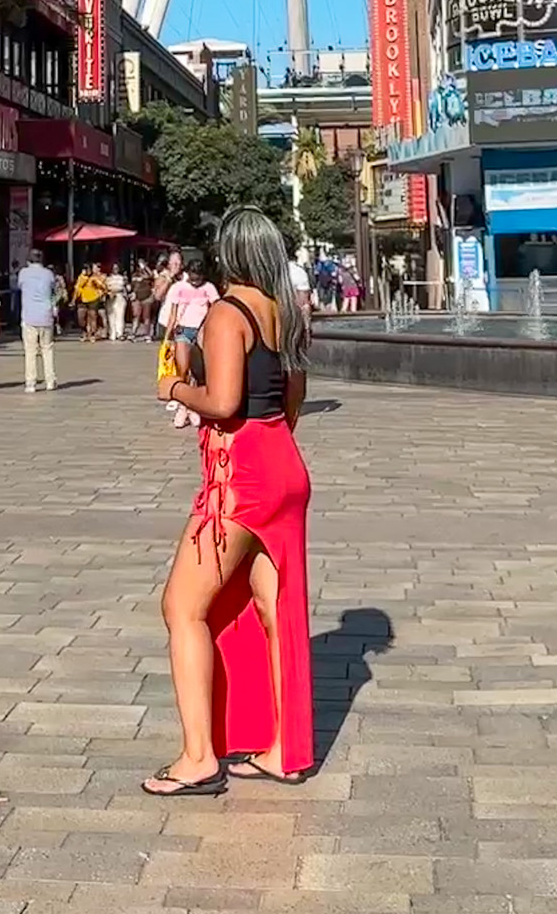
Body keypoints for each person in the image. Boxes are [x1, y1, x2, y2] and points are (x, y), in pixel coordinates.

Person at [146, 205, 313, 796]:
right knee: (276, 612)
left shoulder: (226, 314)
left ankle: (198, 758)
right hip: (285, 464)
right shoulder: (287, 313)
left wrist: (173, 385)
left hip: (238, 472)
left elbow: (221, 401)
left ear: (228, 254)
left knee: (181, 608)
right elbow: (291, 399)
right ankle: (282, 749)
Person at [160, 260, 219, 431]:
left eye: (198, 277)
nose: (195, 281)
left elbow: (216, 309)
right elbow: (173, 313)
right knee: (183, 369)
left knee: (198, 372)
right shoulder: (178, 288)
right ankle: (182, 406)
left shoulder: (209, 288)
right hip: (183, 330)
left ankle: (194, 407)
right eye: (193, 277)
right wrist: (167, 337)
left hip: (202, 332)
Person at [17, 250, 61, 393]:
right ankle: (50, 380)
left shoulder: (23, 273)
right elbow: (54, 292)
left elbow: (20, 287)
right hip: (46, 315)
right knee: (47, 349)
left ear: (28, 260)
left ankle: (31, 382)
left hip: (29, 316)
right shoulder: (49, 274)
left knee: (30, 350)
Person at [74, 263, 108, 341]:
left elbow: (103, 287)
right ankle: (85, 330)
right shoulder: (81, 277)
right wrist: (74, 299)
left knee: (93, 316)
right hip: (82, 299)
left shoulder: (95, 278)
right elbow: (77, 288)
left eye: (89, 269)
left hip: (93, 299)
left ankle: (92, 333)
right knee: (81, 317)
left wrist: (100, 292)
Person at [107, 263, 129, 342]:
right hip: (110, 298)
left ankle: (120, 333)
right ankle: (112, 333)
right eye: (114, 268)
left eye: (117, 268)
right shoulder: (108, 278)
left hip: (120, 297)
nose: (115, 269)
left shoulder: (122, 278)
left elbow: (126, 288)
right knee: (111, 315)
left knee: (120, 315)